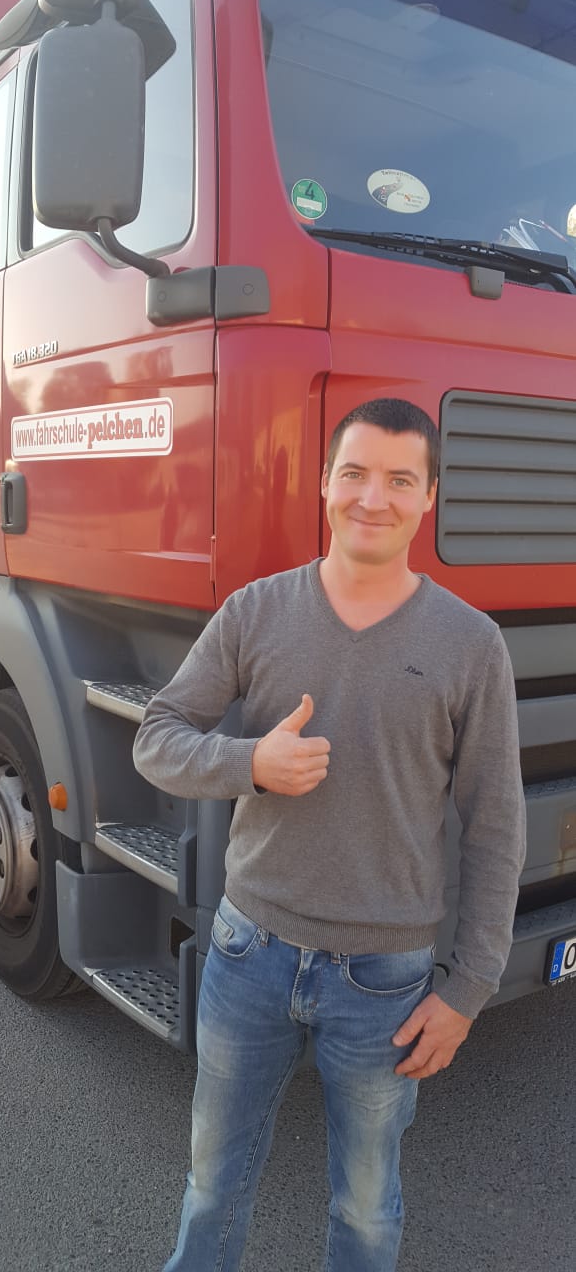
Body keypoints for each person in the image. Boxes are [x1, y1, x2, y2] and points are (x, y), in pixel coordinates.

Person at [133, 398, 526, 1272]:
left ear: (429, 497)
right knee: (211, 1185)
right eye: (353, 474)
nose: (371, 499)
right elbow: (155, 738)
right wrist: (249, 763)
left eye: (399, 480)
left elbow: (496, 827)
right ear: (322, 484)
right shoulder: (255, 611)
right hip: (247, 954)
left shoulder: (471, 644)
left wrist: (468, 990)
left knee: (365, 1208)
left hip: (384, 983)